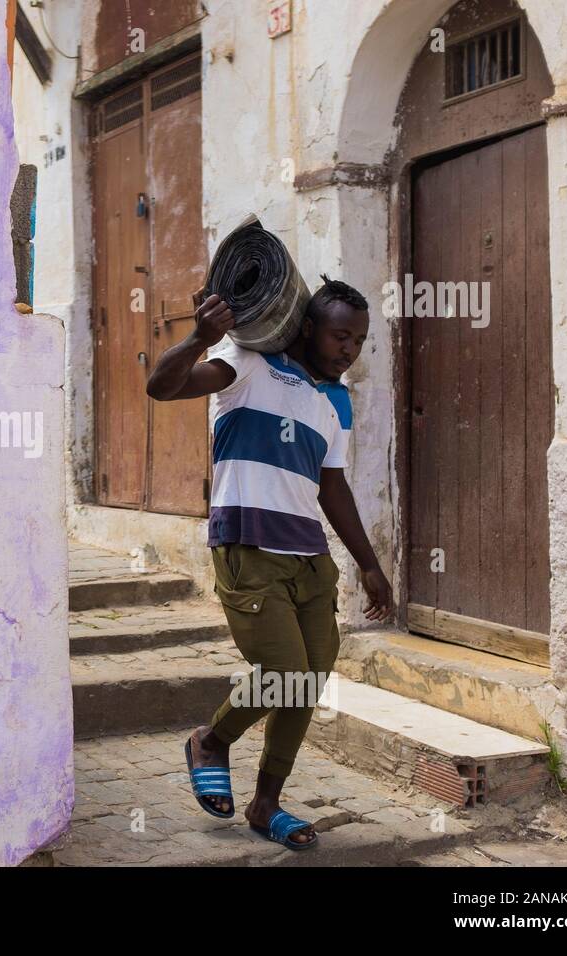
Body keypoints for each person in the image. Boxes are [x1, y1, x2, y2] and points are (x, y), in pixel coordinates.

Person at [144, 275, 395, 850]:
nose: (348, 350)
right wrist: (198, 338)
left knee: (306, 684)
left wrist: (369, 563)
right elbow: (163, 387)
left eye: (358, 340)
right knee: (283, 674)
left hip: (310, 558)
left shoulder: (336, 402)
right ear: (308, 328)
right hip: (249, 548)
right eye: (338, 336)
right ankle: (211, 740)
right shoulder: (249, 363)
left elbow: (332, 487)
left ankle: (266, 803)